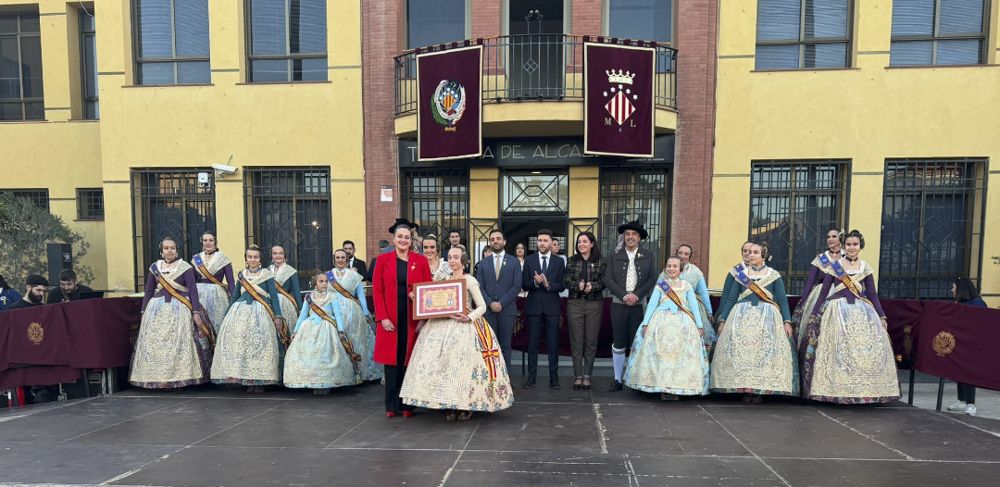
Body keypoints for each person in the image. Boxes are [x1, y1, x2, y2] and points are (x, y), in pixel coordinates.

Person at [401, 247, 514, 420]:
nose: (452, 260)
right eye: (450, 257)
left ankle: (465, 405)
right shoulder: (443, 279)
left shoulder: (469, 280)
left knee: (463, 368)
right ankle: (448, 404)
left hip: (465, 326)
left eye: (455, 257)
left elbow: (482, 306)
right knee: (443, 367)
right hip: (441, 325)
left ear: (464, 261)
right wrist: (416, 296)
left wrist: (468, 318)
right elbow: (432, 299)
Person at [801, 230, 899, 405]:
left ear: (860, 246)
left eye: (855, 244)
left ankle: (862, 390)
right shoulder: (834, 266)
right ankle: (838, 390)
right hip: (836, 310)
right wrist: (815, 314)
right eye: (848, 245)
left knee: (863, 350)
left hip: (862, 312)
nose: (852, 247)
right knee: (838, 349)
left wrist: (881, 315)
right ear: (844, 246)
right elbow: (824, 293)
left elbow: (872, 294)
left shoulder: (865, 267)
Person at [713, 241, 796, 403]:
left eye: (755, 252)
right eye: (749, 252)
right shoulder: (741, 275)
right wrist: (723, 320)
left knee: (763, 352)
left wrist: (787, 321)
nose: (750, 255)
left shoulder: (774, 275)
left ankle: (759, 389)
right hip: (742, 316)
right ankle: (744, 386)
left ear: (763, 256)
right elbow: (731, 298)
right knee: (743, 352)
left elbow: (781, 299)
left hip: (767, 318)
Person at [130, 237, 213, 389]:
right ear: (162, 251)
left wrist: (195, 311)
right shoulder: (154, 268)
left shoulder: (185, 267)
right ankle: (158, 379)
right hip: (156, 311)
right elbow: (148, 291)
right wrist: (143, 311)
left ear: (177, 250)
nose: (170, 250)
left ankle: (179, 379)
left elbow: (193, 290)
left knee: (179, 344)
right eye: (167, 248)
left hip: (180, 310)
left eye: (172, 248)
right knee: (157, 345)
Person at [625, 256, 709, 399]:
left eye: (675, 266)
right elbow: (652, 305)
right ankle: (662, 387)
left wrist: (699, 326)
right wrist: (646, 323)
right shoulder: (661, 285)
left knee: (679, 357)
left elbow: (694, 307)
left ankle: (677, 388)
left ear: (680, 269)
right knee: (662, 355)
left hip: (683, 323)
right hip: (661, 321)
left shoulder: (686, 285)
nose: (671, 269)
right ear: (665, 268)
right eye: (669, 266)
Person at [372, 218, 432, 417]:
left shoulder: (420, 260)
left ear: (411, 239)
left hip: (412, 319)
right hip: (391, 318)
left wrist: (423, 316)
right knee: (392, 363)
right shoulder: (382, 260)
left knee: (409, 362)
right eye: (400, 237)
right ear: (394, 239)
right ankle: (391, 406)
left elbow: (428, 290)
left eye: (407, 237)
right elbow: (377, 290)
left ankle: (407, 406)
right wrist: (382, 318)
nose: (403, 240)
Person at [211, 245, 289, 392]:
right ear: (246, 259)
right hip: (240, 312)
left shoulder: (267, 275)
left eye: (256, 257)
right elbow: (235, 297)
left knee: (260, 346)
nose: (253, 259)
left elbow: (273, 297)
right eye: (250, 257)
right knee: (243, 346)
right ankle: (246, 379)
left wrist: (278, 315)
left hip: (261, 314)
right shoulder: (241, 275)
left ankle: (259, 381)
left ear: (260, 259)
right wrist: (226, 315)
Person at [284, 270, 359, 393]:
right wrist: (296, 331)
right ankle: (313, 382)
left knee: (327, 355)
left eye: (326, 281)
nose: (324, 284)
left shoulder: (332, 296)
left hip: (327, 327)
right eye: (321, 281)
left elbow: (338, 314)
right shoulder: (309, 297)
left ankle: (326, 383)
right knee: (309, 355)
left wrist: (340, 330)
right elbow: (303, 315)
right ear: (315, 283)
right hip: (309, 328)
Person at [604, 221, 657, 392]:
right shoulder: (614, 255)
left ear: (639, 238)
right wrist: (624, 295)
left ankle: (636, 379)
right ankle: (617, 379)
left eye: (634, 234)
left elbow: (652, 278)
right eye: (627, 234)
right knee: (619, 342)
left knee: (638, 342)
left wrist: (637, 295)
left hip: (639, 305)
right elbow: (608, 279)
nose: (630, 237)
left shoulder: (649, 255)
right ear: (624, 237)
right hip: (619, 304)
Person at [521, 229, 566, 390]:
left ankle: (554, 379)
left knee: (553, 345)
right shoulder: (529, 260)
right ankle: (531, 378)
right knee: (532, 345)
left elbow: (562, 285)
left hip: (552, 309)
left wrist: (548, 285)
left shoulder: (559, 261)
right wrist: (534, 283)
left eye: (545, 240)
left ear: (551, 242)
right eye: (539, 240)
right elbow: (523, 283)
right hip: (533, 308)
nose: (541, 243)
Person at [330, 249, 382, 382]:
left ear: (347, 259)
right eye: (338, 257)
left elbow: (360, 295)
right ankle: (338, 373)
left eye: (343, 257)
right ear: (334, 259)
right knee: (334, 340)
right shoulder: (328, 275)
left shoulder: (354, 275)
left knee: (353, 340)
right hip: (332, 311)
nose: (340, 260)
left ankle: (357, 371)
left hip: (351, 312)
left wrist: (365, 312)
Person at [563, 231, 606, 391]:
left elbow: (604, 281)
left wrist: (592, 286)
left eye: (584, 241)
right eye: (579, 242)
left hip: (595, 303)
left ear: (592, 243)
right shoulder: (571, 261)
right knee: (576, 341)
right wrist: (578, 286)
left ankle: (587, 375)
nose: (581, 244)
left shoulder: (601, 261)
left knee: (590, 341)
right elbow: (565, 280)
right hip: (575, 303)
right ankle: (578, 376)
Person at [474, 229, 522, 370]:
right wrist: (490, 303)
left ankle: (505, 379)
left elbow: (516, 286)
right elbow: (479, 287)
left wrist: (501, 303)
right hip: (488, 312)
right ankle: (491, 376)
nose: (495, 241)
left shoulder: (514, 262)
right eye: (492, 239)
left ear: (504, 242)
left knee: (505, 345)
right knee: (489, 346)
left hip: (507, 310)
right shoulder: (483, 263)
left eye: (498, 238)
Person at [792, 229, 844, 347]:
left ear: (840, 239)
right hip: (820, 294)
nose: (830, 239)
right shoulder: (821, 258)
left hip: (840, 293)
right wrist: (803, 301)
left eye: (834, 236)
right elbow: (810, 281)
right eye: (828, 236)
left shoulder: (847, 256)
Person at [948, 277, 988, 416]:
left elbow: (982, 324)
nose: (951, 290)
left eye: (953, 287)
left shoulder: (977, 303)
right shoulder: (958, 303)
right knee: (960, 372)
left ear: (961, 289)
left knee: (969, 374)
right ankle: (962, 400)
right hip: (960, 343)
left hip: (973, 345)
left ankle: (971, 404)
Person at [190, 231, 235, 333]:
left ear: (215, 242)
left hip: (217, 296)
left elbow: (231, 282)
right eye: (205, 240)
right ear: (202, 242)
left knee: (216, 324)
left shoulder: (223, 258)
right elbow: (191, 282)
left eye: (211, 240)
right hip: (199, 295)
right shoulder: (196, 258)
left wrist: (235, 300)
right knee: (200, 325)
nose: (208, 243)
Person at [675, 244, 716, 348]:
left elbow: (703, 292)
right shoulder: (668, 269)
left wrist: (709, 311)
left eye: (686, 254)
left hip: (692, 308)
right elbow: (660, 288)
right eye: (680, 253)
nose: (682, 256)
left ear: (690, 256)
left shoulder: (696, 272)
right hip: (672, 305)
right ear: (676, 253)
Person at [717, 240, 754, 321]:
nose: (747, 253)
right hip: (736, 310)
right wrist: (722, 314)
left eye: (750, 251)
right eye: (745, 251)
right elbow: (726, 294)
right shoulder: (735, 271)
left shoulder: (762, 271)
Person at [269, 245, 302, 328]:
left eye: (281, 253)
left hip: (285, 305)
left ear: (284, 256)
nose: (278, 256)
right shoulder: (266, 271)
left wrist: (300, 309)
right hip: (269, 304)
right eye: (275, 253)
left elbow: (296, 291)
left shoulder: (291, 271)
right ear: (271, 256)